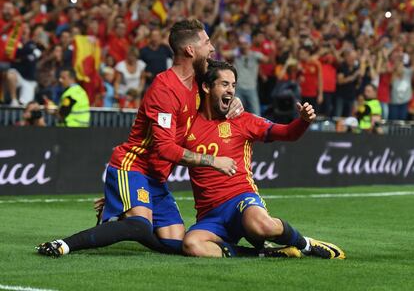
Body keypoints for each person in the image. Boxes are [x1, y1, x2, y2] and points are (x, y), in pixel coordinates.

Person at [36, 19, 243, 257]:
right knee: (139, 226)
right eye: (207, 42)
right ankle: (64, 244)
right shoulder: (165, 89)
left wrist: (235, 99)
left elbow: (223, 79)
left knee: (178, 244)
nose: (212, 48)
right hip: (132, 166)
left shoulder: (200, 80)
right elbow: (165, 148)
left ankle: (121, 210)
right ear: (190, 50)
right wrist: (213, 161)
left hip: (156, 177)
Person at [182, 60, 345, 259]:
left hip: (240, 198)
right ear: (207, 87)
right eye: (224, 84)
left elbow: (286, 133)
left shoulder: (242, 120)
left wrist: (302, 121)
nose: (231, 90)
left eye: (233, 85)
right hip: (210, 214)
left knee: (262, 226)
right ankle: (263, 254)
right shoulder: (188, 123)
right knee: (192, 244)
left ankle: (306, 245)